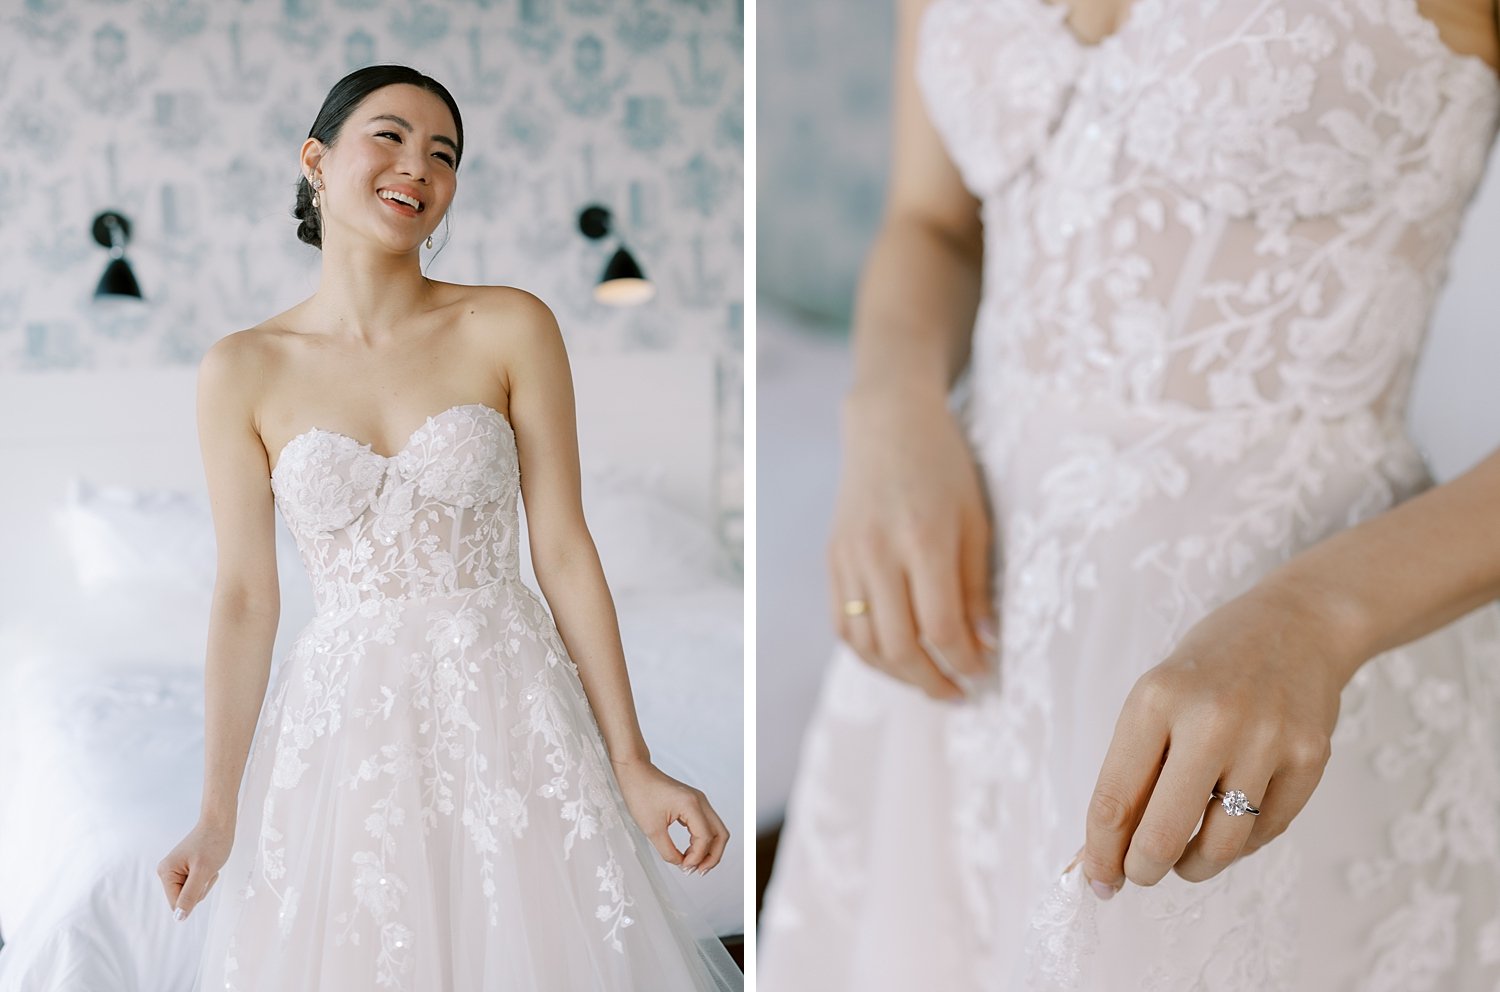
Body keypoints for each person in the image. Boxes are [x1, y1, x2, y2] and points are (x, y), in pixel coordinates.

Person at [758, 0, 1500, 988]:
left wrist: (1314, 617)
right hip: (959, 655)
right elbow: (931, 220)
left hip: (1272, 683)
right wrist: (890, 405)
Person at [154, 64, 742, 991]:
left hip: (509, 697)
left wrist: (633, 760)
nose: (417, 167)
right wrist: (218, 816)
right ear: (317, 159)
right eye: (387, 136)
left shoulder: (509, 326)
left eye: (443, 153)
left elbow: (562, 548)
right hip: (345, 727)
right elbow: (244, 597)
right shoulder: (242, 368)